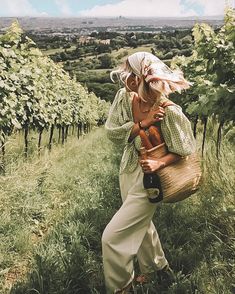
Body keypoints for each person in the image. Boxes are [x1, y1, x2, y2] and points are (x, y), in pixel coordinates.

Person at [102, 52, 196, 294]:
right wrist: (142, 124)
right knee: (141, 224)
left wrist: (159, 164)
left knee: (112, 238)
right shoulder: (124, 97)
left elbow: (185, 149)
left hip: (151, 179)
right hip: (128, 170)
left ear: (142, 77)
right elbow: (112, 132)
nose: (125, 77)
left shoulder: (168, 110)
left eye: (130, 72)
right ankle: (158, 269)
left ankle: (121, 286)